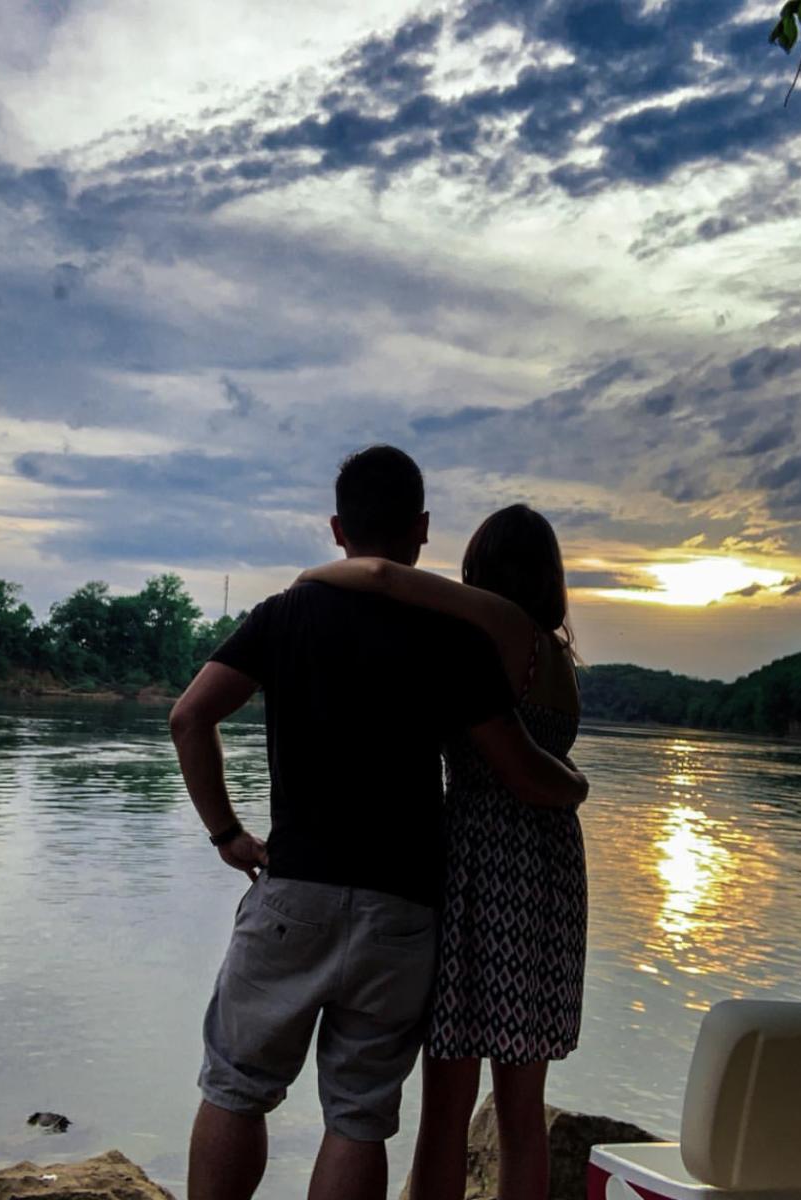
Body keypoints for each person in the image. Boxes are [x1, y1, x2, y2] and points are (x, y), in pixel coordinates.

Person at [170, 447, 588, 1200]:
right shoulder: (455, 641)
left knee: (236, 1086)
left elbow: (189, 717)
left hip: (295, 889)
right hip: (408, 907)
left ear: (336, 528)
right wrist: (572, 786)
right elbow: (517, 763)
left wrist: (227, 834)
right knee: (358, 1117)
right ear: (422, 528)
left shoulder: (285, 614)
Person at [297, 503, 586, 1200]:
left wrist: (316, 575)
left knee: (447, 1108)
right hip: (550, 869)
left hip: (479, 865)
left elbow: (382, 577)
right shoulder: (560, 656)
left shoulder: (499, 626)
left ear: (482, 571)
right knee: (521, 1109)